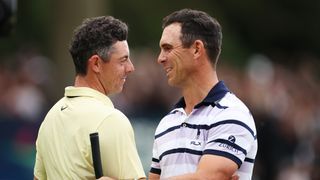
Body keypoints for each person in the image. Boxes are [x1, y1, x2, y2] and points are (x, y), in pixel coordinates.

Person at [149, 9, 257, 180]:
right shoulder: (166, 123)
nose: (160, 58)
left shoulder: (232, 113)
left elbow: (206, 178)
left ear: (197, 49)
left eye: (168, 48)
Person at [33, 16, 146, 180]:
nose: (131, 68)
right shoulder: (111, 120)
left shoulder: (50, 119)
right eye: (123, 60)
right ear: (96, 64)